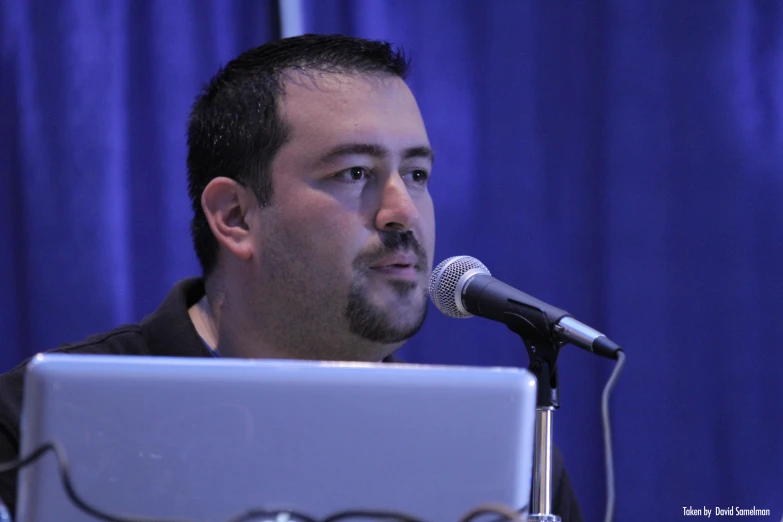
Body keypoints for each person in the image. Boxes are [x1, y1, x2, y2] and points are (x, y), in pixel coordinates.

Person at [0, 34, 583, 521]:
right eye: (355, 172)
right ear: (235, 217)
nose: (404, 212)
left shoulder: (498, 453)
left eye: (418, 173)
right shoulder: (33, 423)